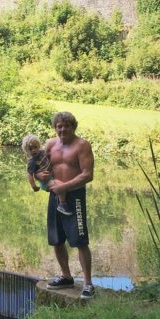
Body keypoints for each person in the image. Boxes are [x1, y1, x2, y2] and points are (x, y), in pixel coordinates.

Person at [37, 112, 95, 299]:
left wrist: (65, 186)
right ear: (55, 127)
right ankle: (66, 276)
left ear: (73, 126)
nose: (62, 129)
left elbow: (87, 174)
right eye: (59, 126)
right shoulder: (51, 145)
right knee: (56, 239)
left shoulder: (82, 145)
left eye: (66, 126)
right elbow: (39, 167)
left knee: (80, 240)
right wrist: (40, 179)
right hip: (54, 196)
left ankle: (87, 283)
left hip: (75, 196)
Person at [21, 134, 72, 216]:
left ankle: (58, 195)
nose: (33, 150)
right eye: (30, 149)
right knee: (60, 186)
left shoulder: (42, 152)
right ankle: (62, 204)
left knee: (64, 181)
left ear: (39, 146)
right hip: (45, 182)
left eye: (35, 147)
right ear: (26, 150)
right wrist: (34, 186)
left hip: (52, 176)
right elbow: (30, 175)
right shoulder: (32, 162)